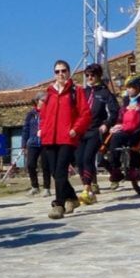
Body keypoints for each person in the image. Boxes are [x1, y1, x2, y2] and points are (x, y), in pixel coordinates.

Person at [38, 59, 90, 220]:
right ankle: (73, 198)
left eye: (63, 70)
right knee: (55, 172)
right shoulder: (49, 92)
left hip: (67, 138)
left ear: (68, 72)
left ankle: (58, 204)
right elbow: (43, 114)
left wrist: (76, 129)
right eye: (57, 71)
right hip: (49, 138)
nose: (61, 74)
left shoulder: (76, 91)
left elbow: (85, 114)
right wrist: (41, 129)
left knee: (60, 171)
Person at [76, 63, 119, 205]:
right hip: (82, 131)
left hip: (96, 131)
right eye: (87, 75)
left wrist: (106, 124)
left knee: (88, 158)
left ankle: (87, 190)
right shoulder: (83, 92)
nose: (89, 78)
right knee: (80, 161)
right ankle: (88, 189)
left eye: (92, 75)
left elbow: (114, 111)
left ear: (98, 76)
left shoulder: (105, 93)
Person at [104, 76, 140, 187]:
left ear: (138, 88)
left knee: (134, 142)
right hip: (126, 128)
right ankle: (116, 168)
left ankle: (134, 168)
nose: (128, 90)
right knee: (115, 138)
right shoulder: (126, 101)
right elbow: (120, 116)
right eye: (127, 87)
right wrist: (117, 125)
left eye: (130, 87)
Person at [22, 93, 51, 196]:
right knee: (30, 165)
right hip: (32, 142)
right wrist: (24, 144)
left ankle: (47, 188)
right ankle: (35, 186)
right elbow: (25, 129)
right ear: (37, 101)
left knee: (45, 166)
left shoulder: (49, 113)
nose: (44, 102)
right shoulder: (31, 114)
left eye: (45, 101)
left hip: (45, 142)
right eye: (42, 100)